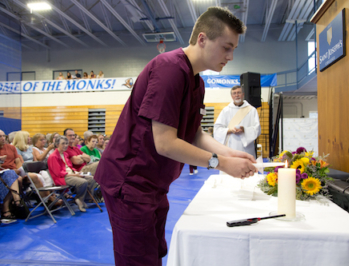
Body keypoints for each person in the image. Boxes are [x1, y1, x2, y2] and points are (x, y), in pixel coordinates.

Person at [94, 7, 256, 266]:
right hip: (131, 182)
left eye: (233, 49)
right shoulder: (169, 69)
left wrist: (229, 152)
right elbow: (166, 143)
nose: (231, 56)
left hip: (154, 184)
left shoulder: (196, 81)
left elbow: (193, 133)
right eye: (227, 47)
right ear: (202, 39)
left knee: (153, 254)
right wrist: (222, 164)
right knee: (138, 260)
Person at [214, 85, 261, 158]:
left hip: (246, 149)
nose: (237, 95)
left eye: (239, 93)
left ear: (243, 94)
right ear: (231, 96)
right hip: (230, 147)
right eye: (234, 93)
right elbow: (217, 129)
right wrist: (230, 130)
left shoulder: (252, 110)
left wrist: (244, 130)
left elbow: (257, 129)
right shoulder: (226, 110)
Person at [47, 136, 93, 212]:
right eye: (63, 144)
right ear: (57, 144)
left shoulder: (65, 154)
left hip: (71, 175)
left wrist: (76, 172)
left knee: (91, 178)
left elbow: (70, 167)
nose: (65, 145)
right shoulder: (53, 156)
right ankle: (79, 200)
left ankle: (83, 199)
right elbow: (59, 173)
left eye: (66, 143)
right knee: (83, 182)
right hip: (62, 178)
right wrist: (75, 175)